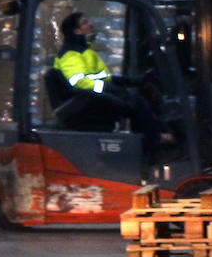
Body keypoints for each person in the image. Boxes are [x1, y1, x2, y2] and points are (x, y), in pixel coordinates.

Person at [54, 11, 162, 157]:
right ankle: (151, 149)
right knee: (136, 103)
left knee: (142, 96)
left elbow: (103, 77)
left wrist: (132, 81)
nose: (90, 24)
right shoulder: (71, 55)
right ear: (77, 31)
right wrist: (108, 89)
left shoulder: (84, 51)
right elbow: (79, 82)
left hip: (92, 98)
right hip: (84, 104)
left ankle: (150, 143)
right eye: (85, 23)